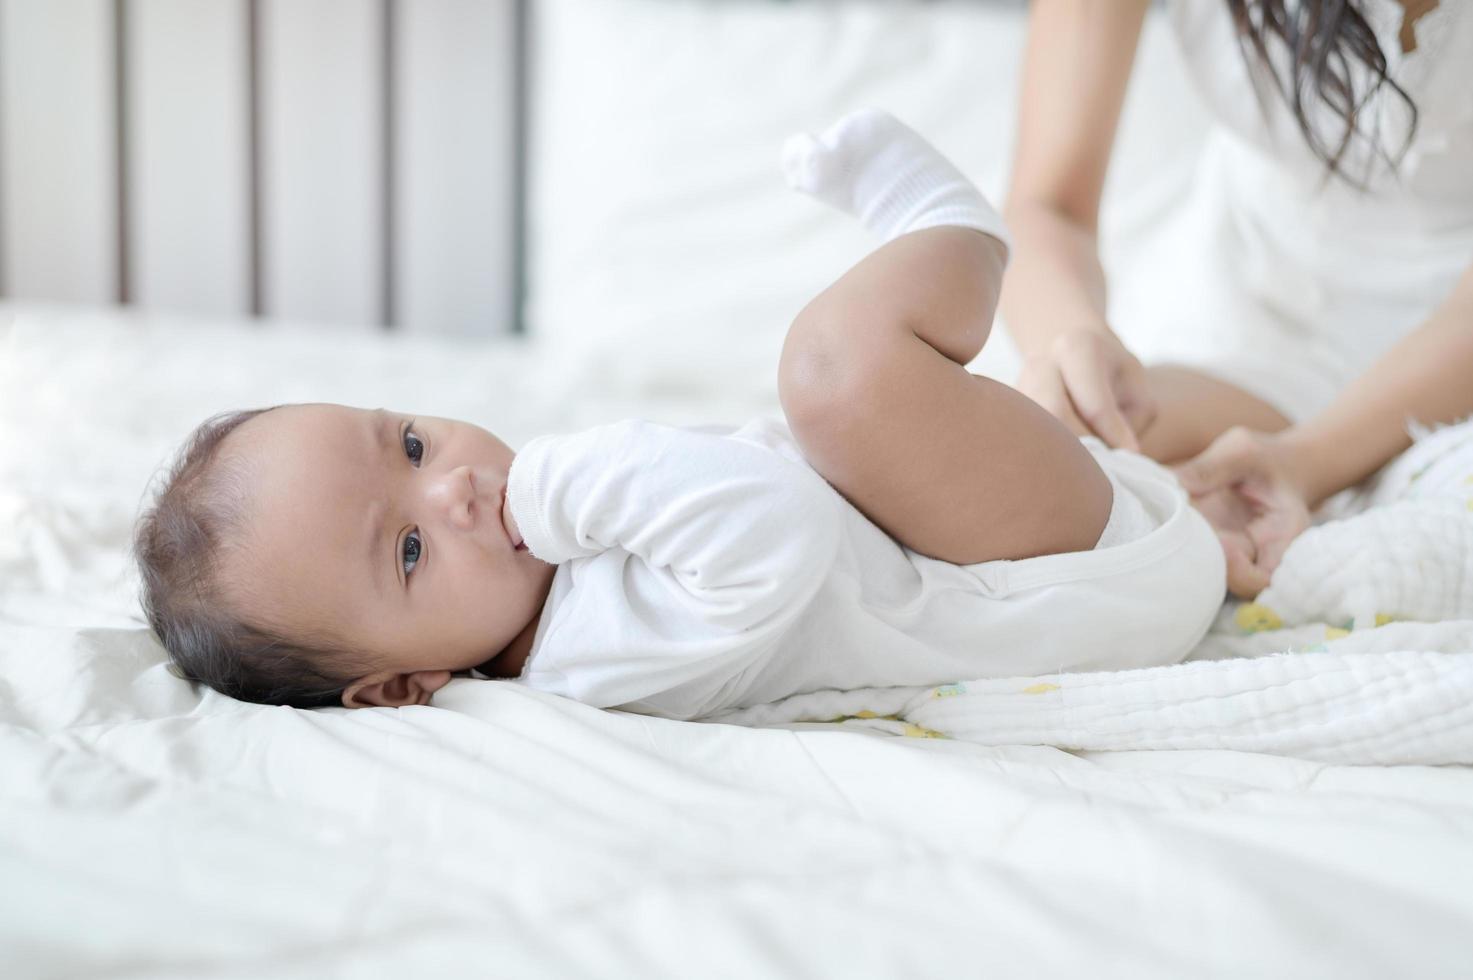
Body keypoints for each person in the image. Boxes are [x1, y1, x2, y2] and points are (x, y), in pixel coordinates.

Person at [132, 110, 1224, 714]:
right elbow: (777, 523)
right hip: (1061, 578)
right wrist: (559, 486)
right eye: (410, 547)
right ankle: (954, 234)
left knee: (847, 418)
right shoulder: (585, 653)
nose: (454, 484)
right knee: (834, 378)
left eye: (411, 442)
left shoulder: (552, 582)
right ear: (401, 685)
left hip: (1016, 542)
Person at [1000, 0, 1473, 598]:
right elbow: (1049, 208)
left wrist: (1305, 462)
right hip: (1247, 291)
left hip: (1454, 337)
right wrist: (1074, 344)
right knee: (1049, 462)